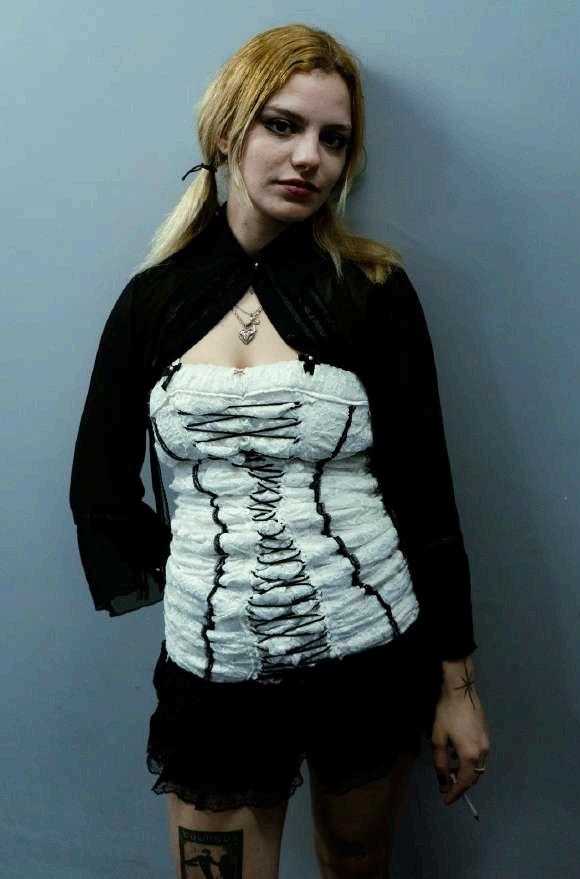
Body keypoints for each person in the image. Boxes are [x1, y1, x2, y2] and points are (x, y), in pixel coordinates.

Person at [69, 22, 491, 879]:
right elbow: (98, 485)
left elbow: (425, 495)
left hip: (372, 651)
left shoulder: (372, 291)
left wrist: (457, 689)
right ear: (228, 131)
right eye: (282, 125)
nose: (309, 158)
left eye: (333, 140)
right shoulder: (152, 302)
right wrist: (199, 568)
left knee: (357, 864)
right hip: (214, 667)